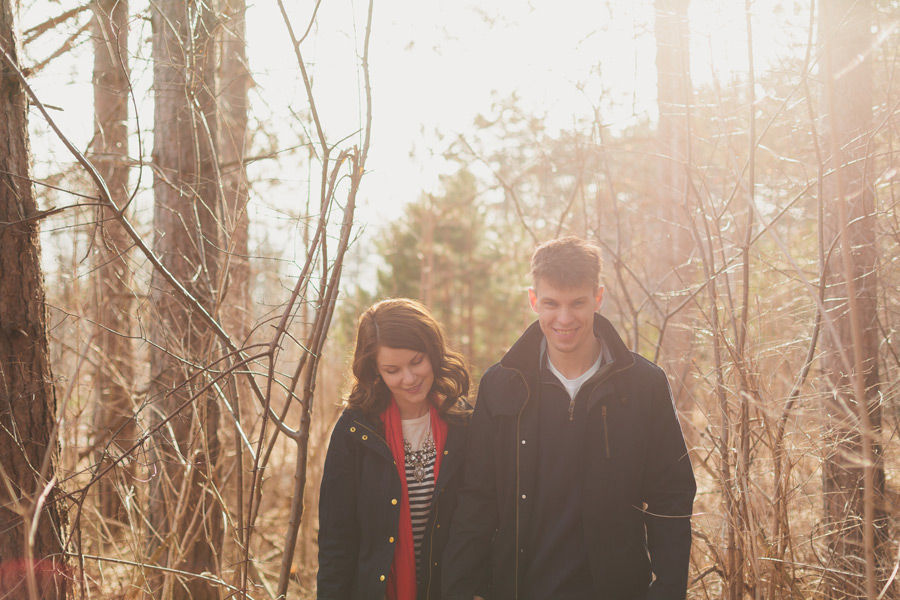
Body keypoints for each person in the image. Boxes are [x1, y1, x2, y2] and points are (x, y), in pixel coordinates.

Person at [442, 237, 696, 600]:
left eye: (577, 303)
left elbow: (671, 495)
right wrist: (458, 590)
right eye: (551, 304)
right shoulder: (502, 384)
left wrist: (668, 590)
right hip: (520, 587)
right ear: (533, 300)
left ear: (598, 297)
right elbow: (478, 500)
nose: (564, 319)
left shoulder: (642, 384)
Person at [318, 298, 471, 600]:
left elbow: (479, 524)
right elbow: (337, 540)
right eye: (392, 370)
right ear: (375, 370)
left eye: (417, 361)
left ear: (433, 351)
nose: (409, 379)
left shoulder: (464, 423)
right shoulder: (354, 432)